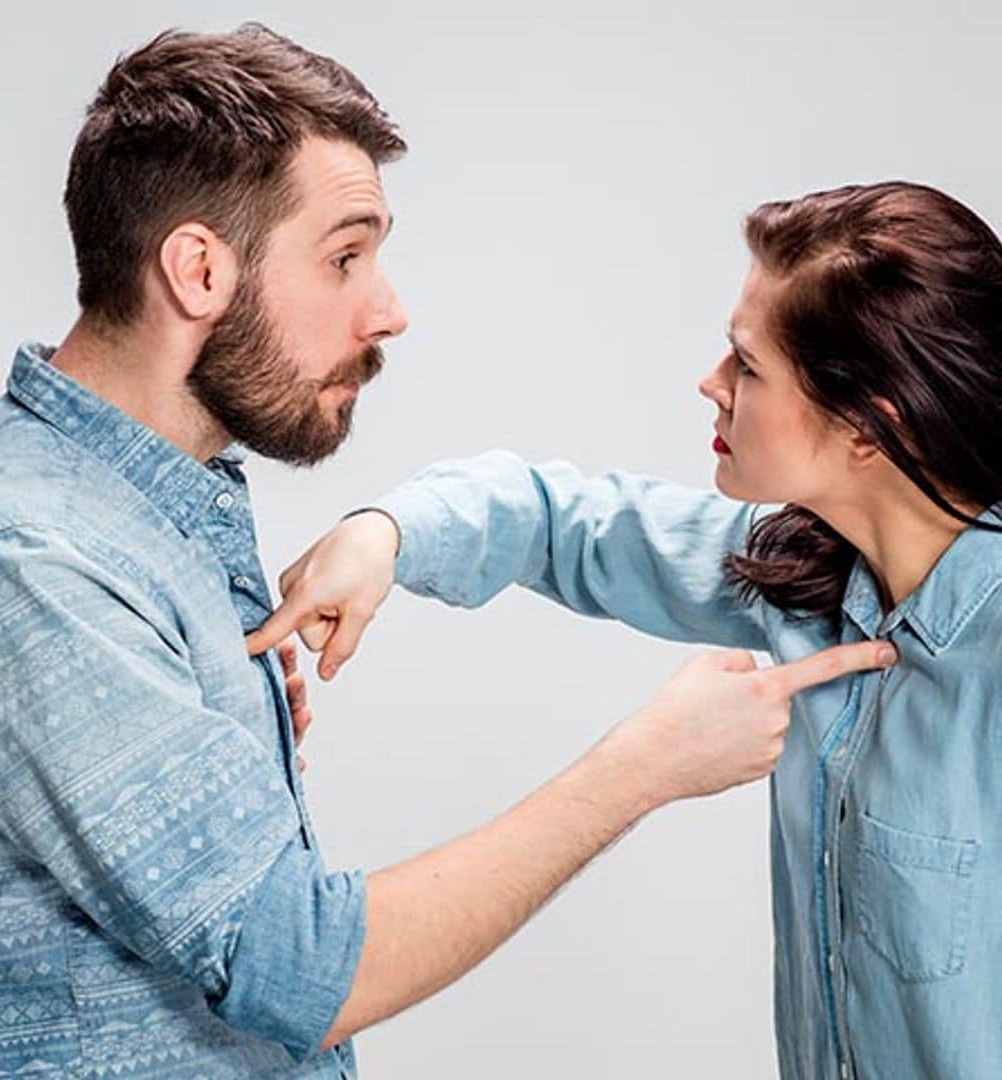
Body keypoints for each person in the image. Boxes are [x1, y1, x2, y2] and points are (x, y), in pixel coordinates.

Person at [0, 24, 893, 1080]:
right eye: (345, 256)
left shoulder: (146, 503)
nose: (389, 311)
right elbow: (300, 967)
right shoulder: (31, 556)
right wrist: (644, 768)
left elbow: (564, 519)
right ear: (199, 270)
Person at [254, 181, 1002, 1079]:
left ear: (868, 426)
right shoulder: (800, 579)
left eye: (747, 367)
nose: (711, 384)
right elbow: (560, 520)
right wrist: (386, 533)